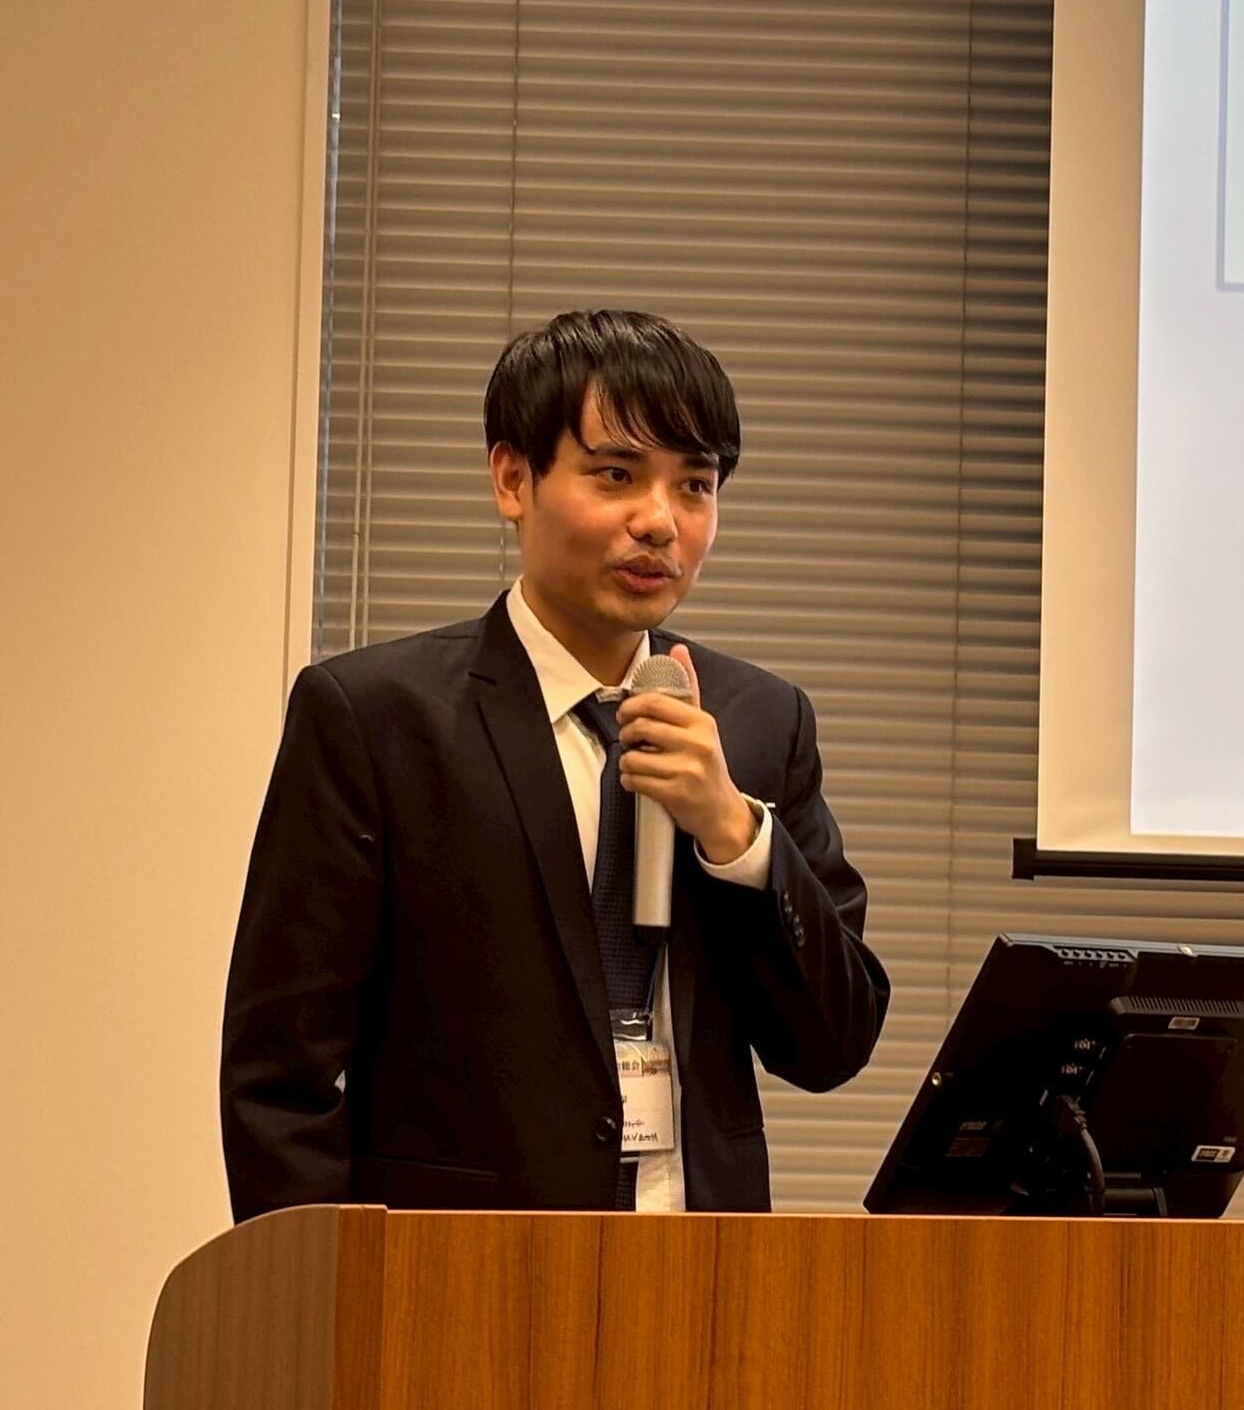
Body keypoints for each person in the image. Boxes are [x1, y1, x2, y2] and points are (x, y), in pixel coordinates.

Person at [219, 309, 888, 1219]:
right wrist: (325, 1286)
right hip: (460, 1269)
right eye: (616, 475)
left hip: (705, 1266)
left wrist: (736, 834)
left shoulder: (761, 722)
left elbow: (833, 1043)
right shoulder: (375, 719)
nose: (658, 521)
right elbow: (279, 1075)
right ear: (512, 478)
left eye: (695, 485)